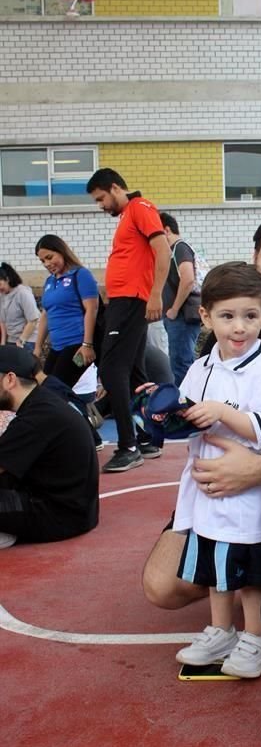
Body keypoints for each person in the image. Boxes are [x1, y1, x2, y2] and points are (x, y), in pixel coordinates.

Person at [141, 199, 261, 610]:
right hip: (225, 483)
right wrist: (165, 412)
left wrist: (259, 470)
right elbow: (197, 411)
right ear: (255, 259)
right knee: (162, 586)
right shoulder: (223, 336)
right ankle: (256, 562)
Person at [155, 262, 261, 677]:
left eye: (250, 316)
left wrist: (224, 412)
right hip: (203, 489)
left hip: (240, 489)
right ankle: (221, 630)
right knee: (213, 565)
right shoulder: (201, 367)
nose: (239, 327)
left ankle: (256, 637)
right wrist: (160, 410)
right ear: (207, 316)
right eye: (227, 316)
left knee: (246, 571)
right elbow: (185, 413)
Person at [86, 168, 170, 472]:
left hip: (133, 300)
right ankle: (147, 438)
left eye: (101, 199)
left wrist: (156, 294)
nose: (101, 205)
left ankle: (128, 445)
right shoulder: (128, 216)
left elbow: (162, 251)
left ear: (114, 188)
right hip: (125, 300)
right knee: (135, 375)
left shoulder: (140, 207)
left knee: (111, 369)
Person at [0, 346, 99, 549]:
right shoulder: (44, 403)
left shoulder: (35, 420)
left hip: (57, 516)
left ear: (10, 380)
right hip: (74, 509)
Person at [33, 234, 99, 388]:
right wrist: (37, 347)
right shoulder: (50, 281)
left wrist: (87, 344)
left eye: (49, 257)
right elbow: (46, 314)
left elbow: (92, 309)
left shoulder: (81, 274)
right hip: (56, 347)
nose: (47, 264)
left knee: (56, 390)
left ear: (61, 251)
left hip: (76, 345)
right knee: (43, 388)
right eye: (42, 261)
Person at [160, 212, 201, 385]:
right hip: (180, 316)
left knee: (180, 363)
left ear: (166, 230)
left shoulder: (180, 248)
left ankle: (184, 405)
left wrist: (174, 309)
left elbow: (188, 279)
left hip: (182, 316)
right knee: (181, 361)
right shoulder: (176, 250)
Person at [0, 262, 39, 350]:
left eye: (0, 284)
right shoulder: (1, 296)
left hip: (28, 340)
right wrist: (3, 343)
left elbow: (33, 320)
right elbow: (2, 322)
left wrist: (21, 341)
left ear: (7, 279)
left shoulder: (23, 293)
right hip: (11, 340)